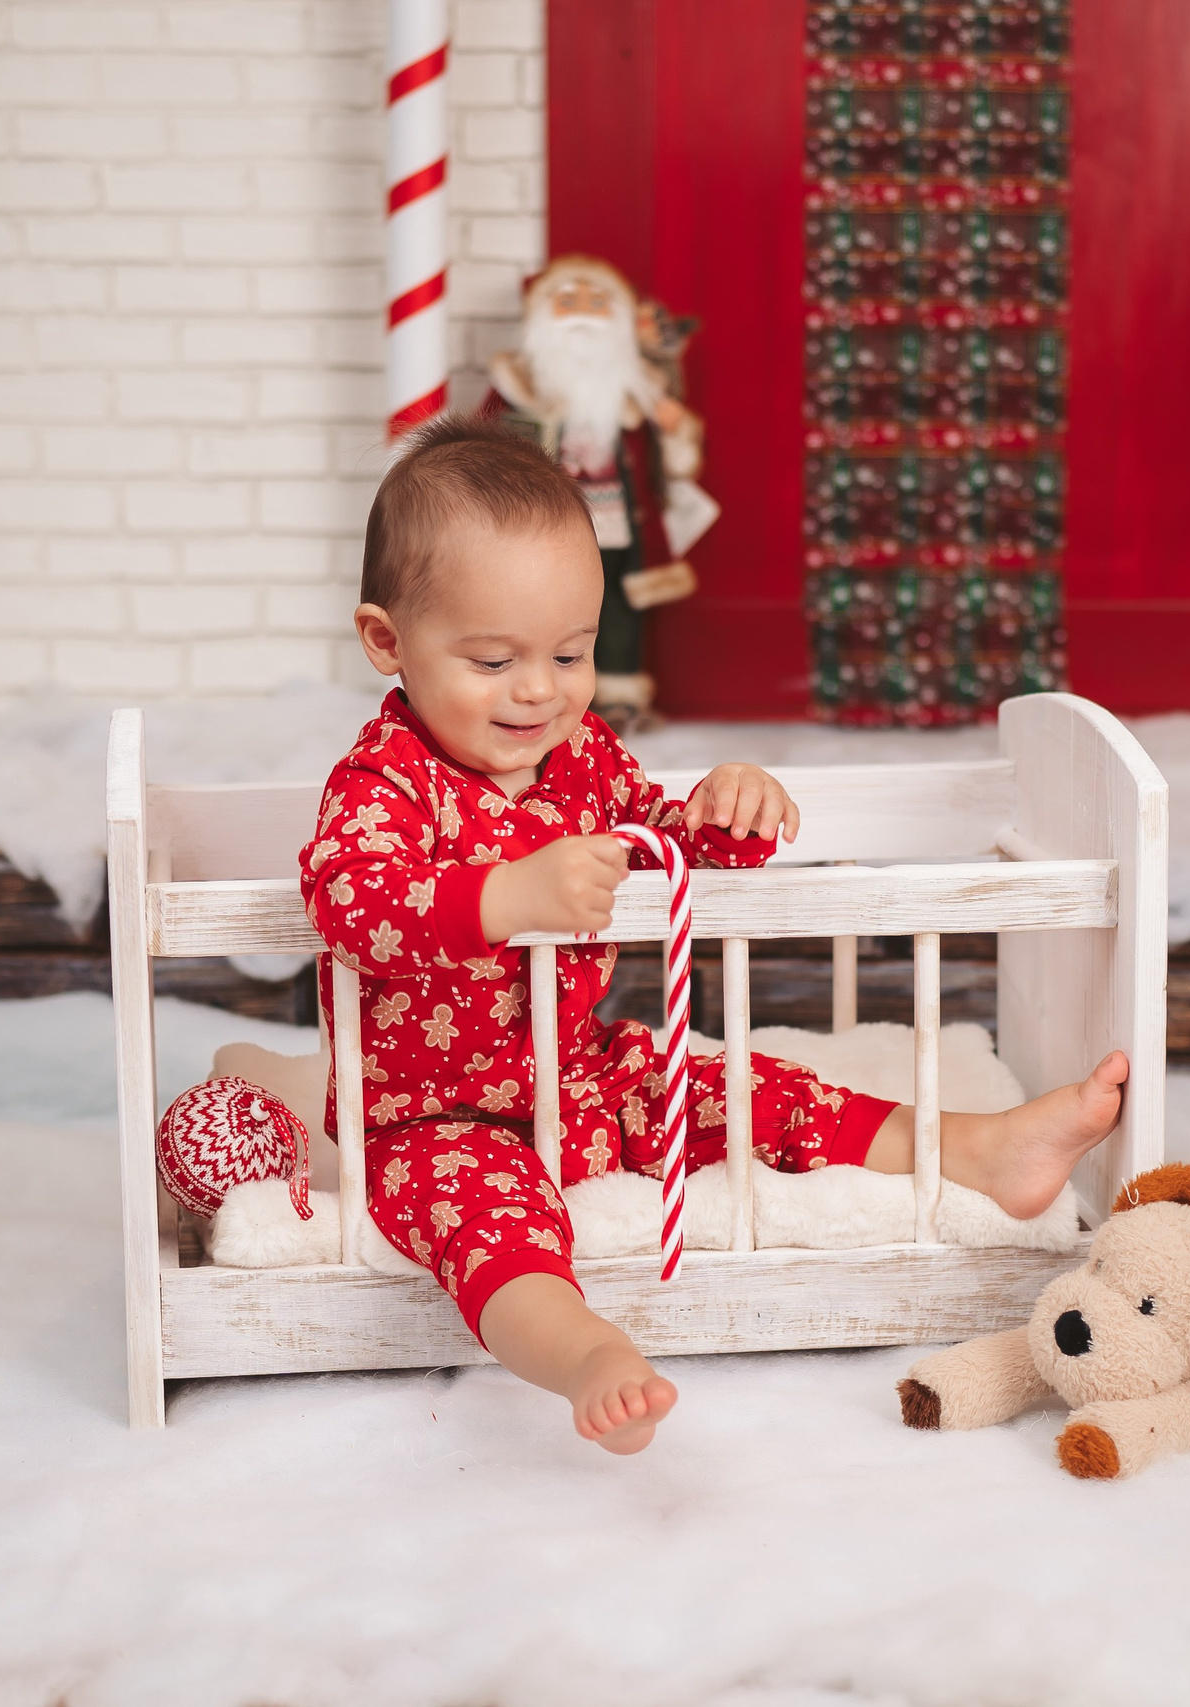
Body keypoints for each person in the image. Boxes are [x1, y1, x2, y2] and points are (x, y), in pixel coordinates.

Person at [157, 415, 1128, 1454]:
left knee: (746, 1086)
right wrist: (504, 897)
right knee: (492, 1227)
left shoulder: (582, 756)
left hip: (579, 1073)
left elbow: (660, 848)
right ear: (387, 642)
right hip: (437, 1120)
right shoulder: (384, 783)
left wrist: (724, 816)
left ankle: (978, 1149)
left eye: (570, 652)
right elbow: (349, 898)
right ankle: (583, 1352)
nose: (539, 688)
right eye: (492, 659)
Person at [482, 255, 715, 732]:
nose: (584, 314)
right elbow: (479, 454)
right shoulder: (517, 386)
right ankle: (554, 698)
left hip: (615, 521)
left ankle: (620, 696)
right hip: (545, 526)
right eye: (568, 302)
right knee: (548, 611)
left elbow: (670, 465)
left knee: (619, 609)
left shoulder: (638, 393)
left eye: (597, 303)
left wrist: (675, 433)